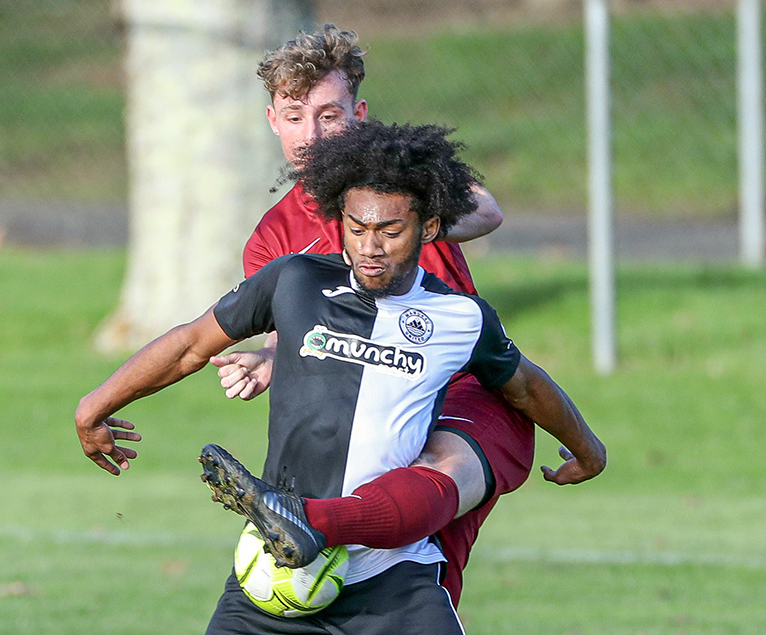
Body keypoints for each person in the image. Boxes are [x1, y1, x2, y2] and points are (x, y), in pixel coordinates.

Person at [76, 120, 606, 634]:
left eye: (390, 230)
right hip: (278, 577)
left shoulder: (461, 318)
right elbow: (190, 345)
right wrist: (94, 406)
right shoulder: (294, 281)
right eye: (357, 228)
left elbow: (526, 387)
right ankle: (294, 519)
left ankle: (312, 518)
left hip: (392, 581)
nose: (370, 247)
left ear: (429, 228)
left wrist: (588, 451)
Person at [208, 23, 576, 606]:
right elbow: (296, 336)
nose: (312, 134)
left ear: (359, 113)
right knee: (379, 575)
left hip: (463, 393)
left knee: (428, 534)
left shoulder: (403, 177)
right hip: (375, 410)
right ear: (273, 120)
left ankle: (317, 528)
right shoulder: (274, 240)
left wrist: (396, 216)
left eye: (329, 115)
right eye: (295, 115)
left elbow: (487, 211)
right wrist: (268, 357)